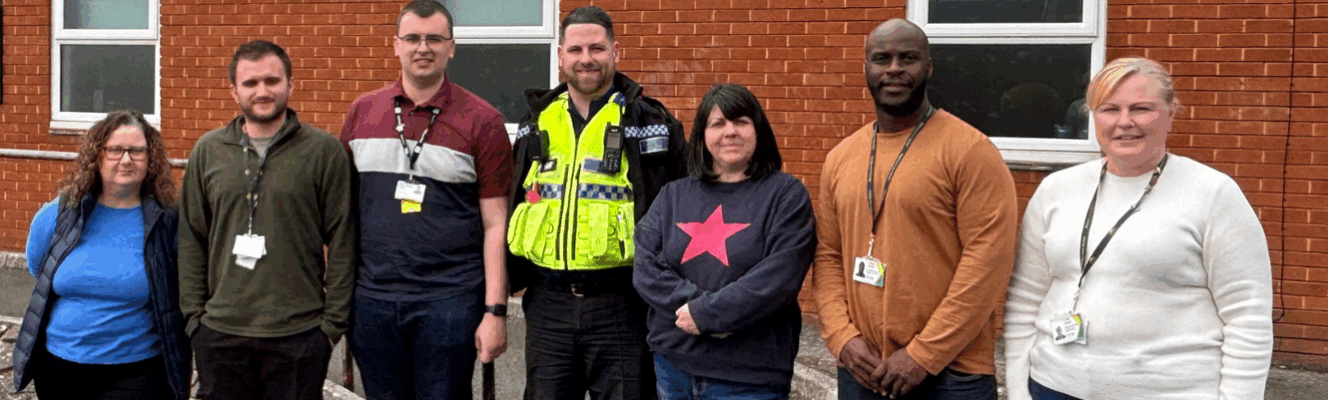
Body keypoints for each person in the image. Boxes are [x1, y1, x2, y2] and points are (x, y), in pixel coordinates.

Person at [1003, 57, 1274, 400]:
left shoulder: (1213, 194)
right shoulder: (1056, 190)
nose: (1124, 122)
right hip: (1054, 386)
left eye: (1141, 108)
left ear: (1171, 113)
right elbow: (1026, 298)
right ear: (1092, 115)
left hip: (1171, 391)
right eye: (1109, 109)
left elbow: (1247, 314)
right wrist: (1017, 388)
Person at [811, 19, 1018, 400]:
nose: (894, 68)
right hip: (864, 368)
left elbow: (987, 264)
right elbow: (828, 256)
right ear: (866, 68)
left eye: (908, 58)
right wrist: (842, 339)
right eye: (881, 58)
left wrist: (924, 354)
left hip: (952, 372)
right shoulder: (840, 157)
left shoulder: (971, 151)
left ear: (928, 66)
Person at [507, 5, 686, 399]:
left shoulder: (650, 122)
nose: (585, 59)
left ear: (615, 52)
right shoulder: (535, 122)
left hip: (622, 304)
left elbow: (683, 207)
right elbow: (514, 197)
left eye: (596, 48)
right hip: (547, 303)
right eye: (575, 49)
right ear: (560, 56)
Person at [339, 1, 512, 398]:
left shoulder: (482, 121)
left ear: (451, 47)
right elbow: (342, 215)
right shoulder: (361, 113)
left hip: (449, 302)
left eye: (434, 38)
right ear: (395, 45)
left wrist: (494, 311)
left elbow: (496, 224)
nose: (423, 48)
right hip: (373, 301)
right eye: (413, 38)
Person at [178, 40, 356, 400]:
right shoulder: (208, 151)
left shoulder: (323, 151)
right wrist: (195, 320)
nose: (262, 91)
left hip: (299, 335)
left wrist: (330, 327)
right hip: (220, 333)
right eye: (250, 83)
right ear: (233, 91)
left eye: (272, 81)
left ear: (290, 84)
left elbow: (343, 241)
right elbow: (191, 238)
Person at [633, 84, 816, 399]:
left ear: (758, 130)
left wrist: (709, 314)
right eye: (717, 124)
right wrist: (698, 310)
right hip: (673, 367)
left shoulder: (785, 195)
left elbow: (778, 277)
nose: (730, 132)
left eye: (741, 122)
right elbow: (646, 266)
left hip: (749, 376)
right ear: (702, 135)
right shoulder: (673, 195)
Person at [12, 110, 190, 400]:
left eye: (137, 151)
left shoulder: (168, 220)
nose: (126, 159)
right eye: (115, 150)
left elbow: (178, 286)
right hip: (58, 366)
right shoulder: (61, 213)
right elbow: (39, 268)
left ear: (151, 157)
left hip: (135, 368)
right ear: (96, 156)